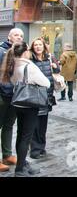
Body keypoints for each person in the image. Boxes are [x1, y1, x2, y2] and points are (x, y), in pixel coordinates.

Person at [1, 41, 50, 176]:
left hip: (18, 103)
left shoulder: (12, 64)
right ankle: (20, 170)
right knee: (26, 137)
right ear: (25, 52)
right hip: (30, 104)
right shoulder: (29, 66)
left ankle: (22, 164)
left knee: (21, 135)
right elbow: (46, 83)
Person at [29, 37, 60, 159]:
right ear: (33, 47)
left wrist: (55, 66)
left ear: (43, 46)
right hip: (35, 96)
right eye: (35, 45)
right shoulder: (30, 59)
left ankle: (41, 147)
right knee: (34, 124)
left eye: (40, 45)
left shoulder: (49, 57)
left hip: (47, 96)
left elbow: (57, 69)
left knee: (43, 124)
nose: (38, 47)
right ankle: (34, 150)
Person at [0, 28, 23, 172]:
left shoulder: (22, 53)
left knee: (8, 125)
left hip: (16, 95)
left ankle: (7, 155)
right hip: (2, 94)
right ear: (9, 37)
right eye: (16, 35)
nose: (19, 37)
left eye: (21, 35)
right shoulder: (1, 51)